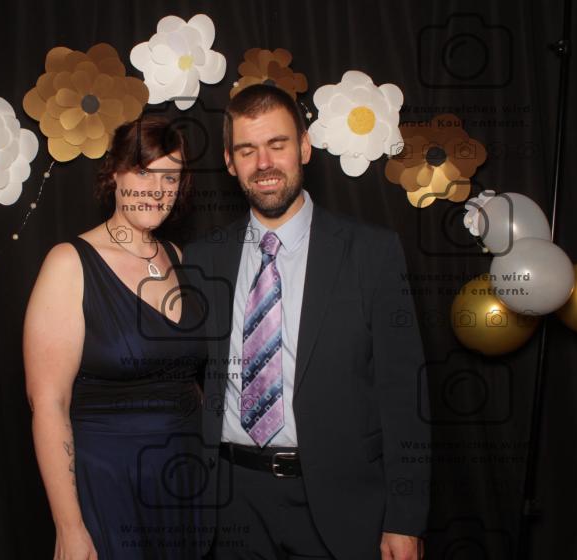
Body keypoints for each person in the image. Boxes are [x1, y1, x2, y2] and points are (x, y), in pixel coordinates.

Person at [182, 85, 430, 560]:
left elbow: (405, 395)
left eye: (277, 144)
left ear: (304, 147)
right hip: (231, 504)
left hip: (341, 502)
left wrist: (405, 518)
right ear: (230, 162)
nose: (264, 163)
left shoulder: (372, 252)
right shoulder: (201, 259)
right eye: (247, 150)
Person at [23, 115, 207, 560]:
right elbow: (48, 404)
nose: (156, 189)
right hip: (110, 486)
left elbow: (189, 380)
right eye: (143, 172)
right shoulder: (69, 264)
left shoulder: (178, 257)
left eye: (170, 177)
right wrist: (69, 527)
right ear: (115, 174)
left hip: (186, 484)